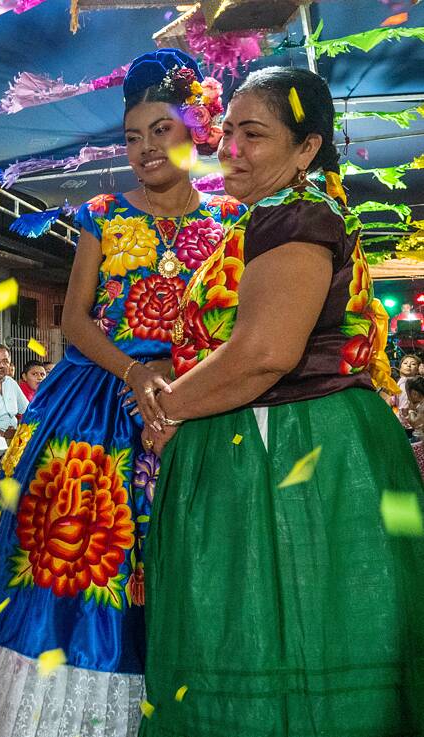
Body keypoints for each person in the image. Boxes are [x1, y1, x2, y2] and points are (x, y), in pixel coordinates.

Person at [0, 49, 245, 737]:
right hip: (96, 401)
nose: (145, 148)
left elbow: (234, 322)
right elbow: (73, 320)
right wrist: (133, 372)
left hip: (194, 399)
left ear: (196, 128)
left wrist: (184, 381)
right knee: (70, 559)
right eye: (131, 136)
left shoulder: (229, 219)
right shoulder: (102, 212)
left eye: (160, 129)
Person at [140, 66, 423, 735]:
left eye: (253, 134)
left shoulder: (295, 217)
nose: (229, 149)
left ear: (306, 148)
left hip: (292, 447)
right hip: (283, 440)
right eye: (225, 132)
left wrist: (168, 407)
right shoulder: (276, 215)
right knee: (291, 626)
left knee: (281, 623)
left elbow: (265, 352)